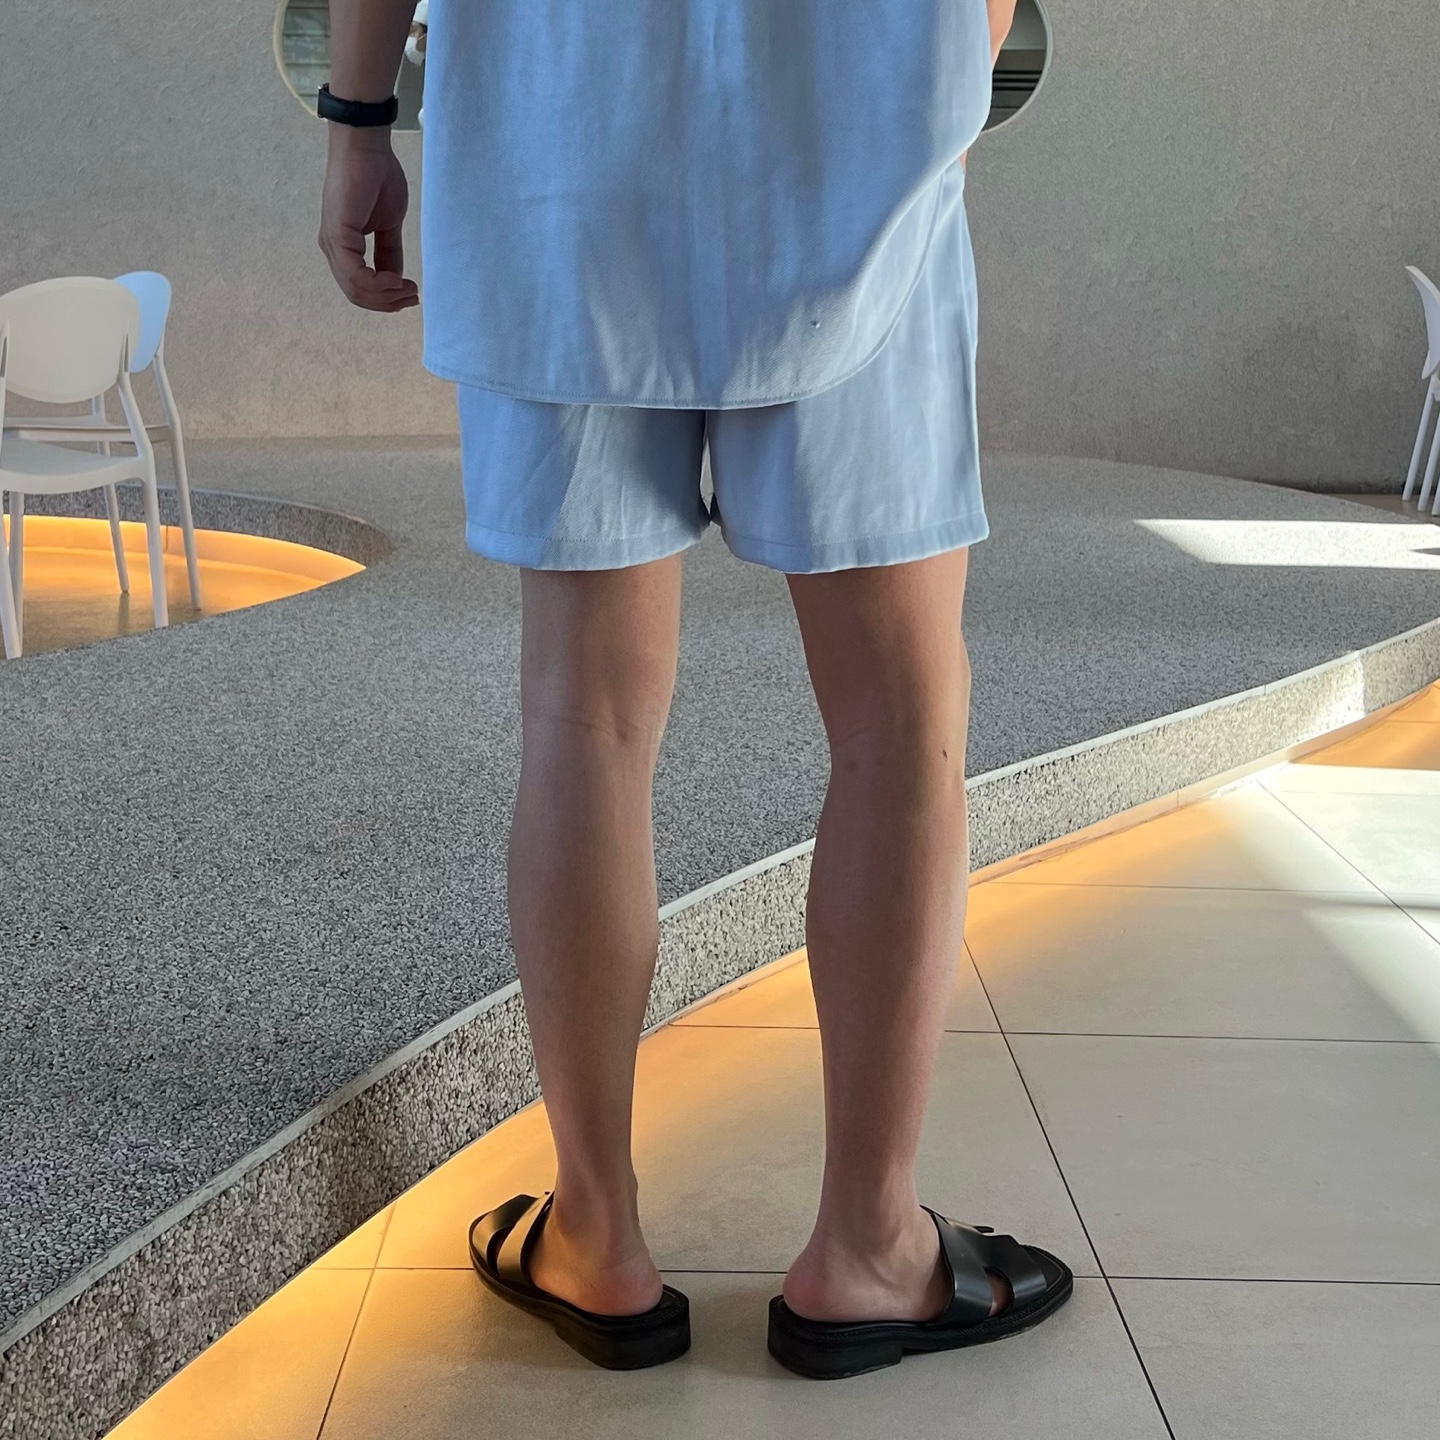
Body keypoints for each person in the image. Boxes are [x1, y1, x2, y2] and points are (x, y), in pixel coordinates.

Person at [319, 0, 1072, 1379]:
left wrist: (358, 120)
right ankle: (869, 1250)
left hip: (561, 146)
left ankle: (594, 1235)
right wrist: (945, 76)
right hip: (858, 134)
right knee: (900, 727)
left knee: (584, 722)